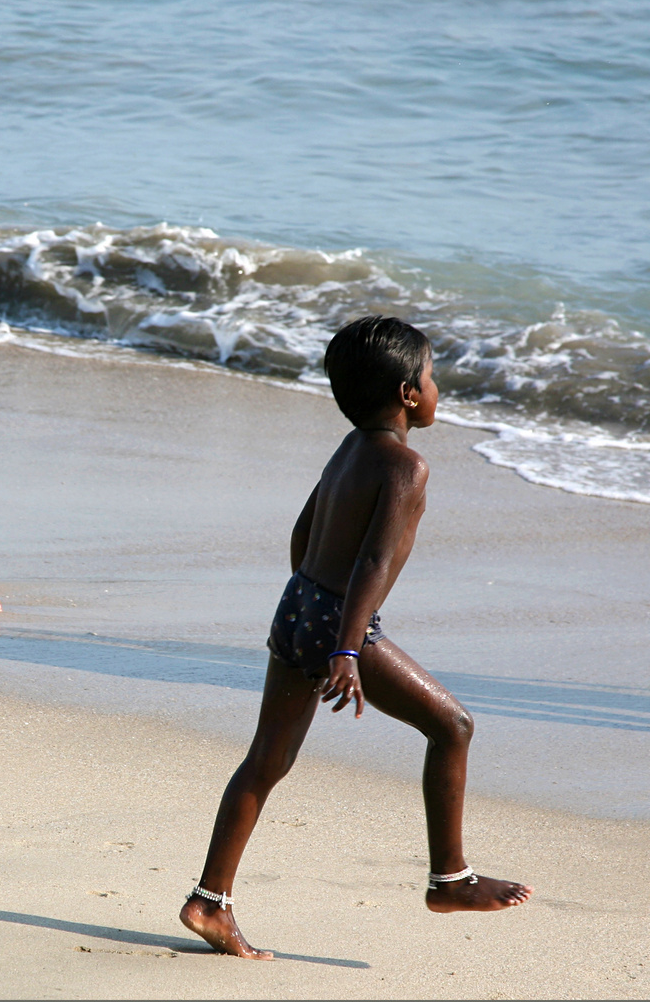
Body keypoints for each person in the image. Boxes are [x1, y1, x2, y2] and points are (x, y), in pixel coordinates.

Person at [180, 315, 531, 960]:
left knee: (266, 761)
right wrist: (345, 645)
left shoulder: (349, 450)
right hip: (338, 625)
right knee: (452, 725)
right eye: (429, 375)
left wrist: (313, 610)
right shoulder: (407, 467)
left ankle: (211, 900)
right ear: (406, 393)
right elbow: (373, 560)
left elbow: (301, 534)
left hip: (299, 606)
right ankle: (449, 880)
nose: (434, 385)